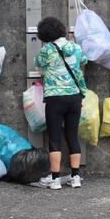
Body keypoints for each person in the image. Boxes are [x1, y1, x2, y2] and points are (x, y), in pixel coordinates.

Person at [34, 17, 87, 190]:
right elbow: (84, 60)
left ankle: (55, 179)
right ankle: (76, 176)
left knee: (55, 137)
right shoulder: (76, 47)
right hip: (74, 97)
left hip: (55, 98)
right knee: (72, 135)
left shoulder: (47, 50)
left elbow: (37, 64)